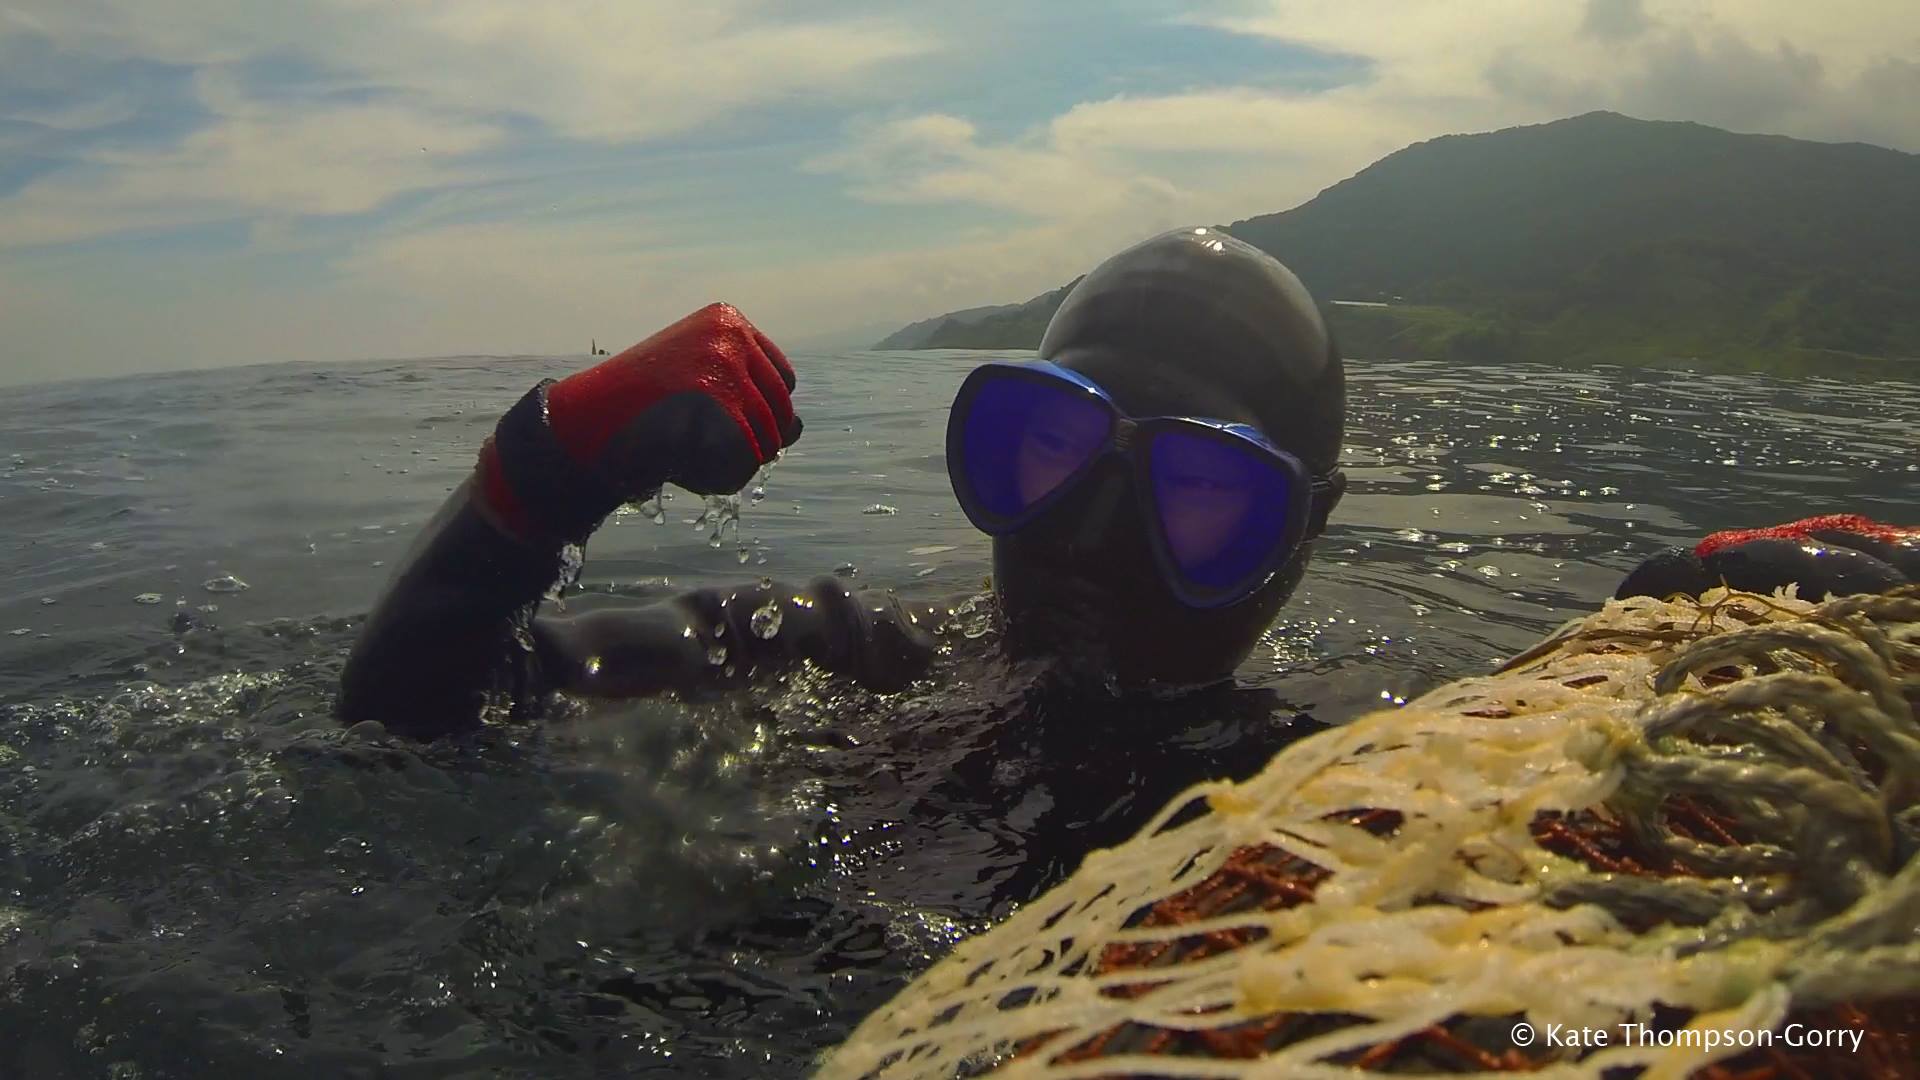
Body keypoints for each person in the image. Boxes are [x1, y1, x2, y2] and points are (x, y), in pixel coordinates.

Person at [339, 228, 1349, 738]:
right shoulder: (832, 659)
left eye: (1204, 494)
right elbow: (411, 721)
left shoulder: (1367, 784)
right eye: (1046, 448)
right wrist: (548, 465)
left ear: (1305, 529)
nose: (1086, 537)